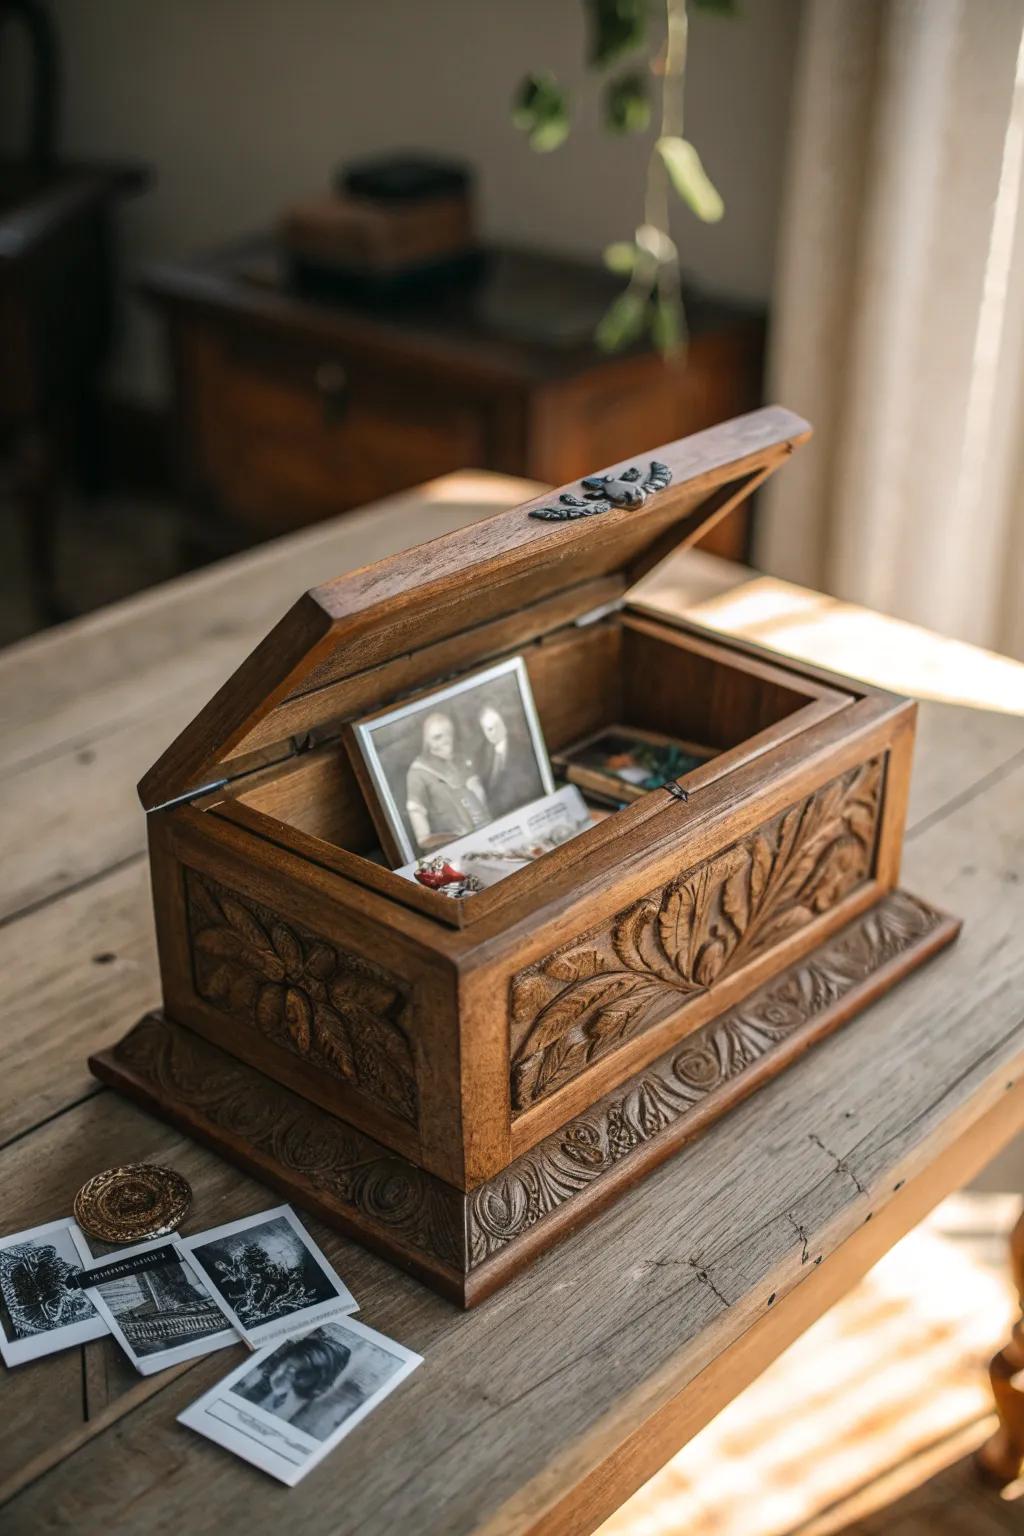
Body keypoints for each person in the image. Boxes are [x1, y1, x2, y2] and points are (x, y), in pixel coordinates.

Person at [404, 712, 490, 852]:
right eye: (437, 737)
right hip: (451, 849)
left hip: (483, 837)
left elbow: (479, 796)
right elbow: (423, 836)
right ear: (427, 740)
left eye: (448, 734)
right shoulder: (417, 773)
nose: (445, 741)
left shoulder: (461, 760)